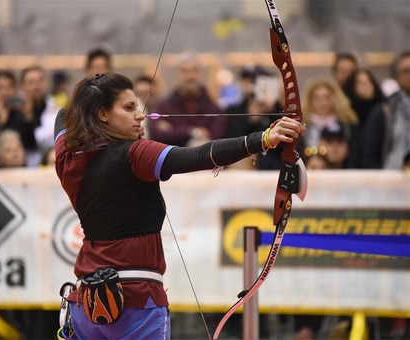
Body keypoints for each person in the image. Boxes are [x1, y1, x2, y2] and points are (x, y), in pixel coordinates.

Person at [54, 73, 305, 339]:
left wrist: (92, 114)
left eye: (137, 106)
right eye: (128, 108)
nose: (140, 115)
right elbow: (197, 156)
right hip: (135, 301)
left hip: (85, 303)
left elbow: (63, 114)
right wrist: (263, 138)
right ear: (102, 113)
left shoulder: (67, 158)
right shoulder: (134, 153)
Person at [149, 53, 224, 147]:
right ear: (177, 75)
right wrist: (194, 131)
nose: (190, 76)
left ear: (200, 74)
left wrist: (174, 130)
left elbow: (217, 136)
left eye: (194, 70)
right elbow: (158, 134)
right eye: (184, 71)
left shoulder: (214, 108)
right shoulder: (164, 108)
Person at [363, 51, 410, 169]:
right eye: (406, 71)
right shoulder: (384, 109)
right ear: (396, 77)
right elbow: (370, 150)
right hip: (393, 176)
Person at [19, 65, 59, 166]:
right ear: (23, 87)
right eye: (31, 82)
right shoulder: (15, 113)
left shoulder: (56, 110)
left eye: (40, 80)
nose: (36, 86)